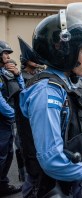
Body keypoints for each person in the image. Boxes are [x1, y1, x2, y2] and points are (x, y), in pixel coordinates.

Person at [18, 7, 82, 197]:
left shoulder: (63, 85)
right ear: (65, 49)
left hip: (68, 183)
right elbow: (52, 160)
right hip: (50, 187)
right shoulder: (47, 91)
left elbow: (73, 134)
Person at [0, 41, 23, 196]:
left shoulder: (5, 73)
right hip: (2, 121)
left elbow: (22, 90)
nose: (8, 57)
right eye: (5, 53)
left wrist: (18, 75)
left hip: (7, 123)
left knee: (7, 155)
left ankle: (2, 184)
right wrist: (15, 115)